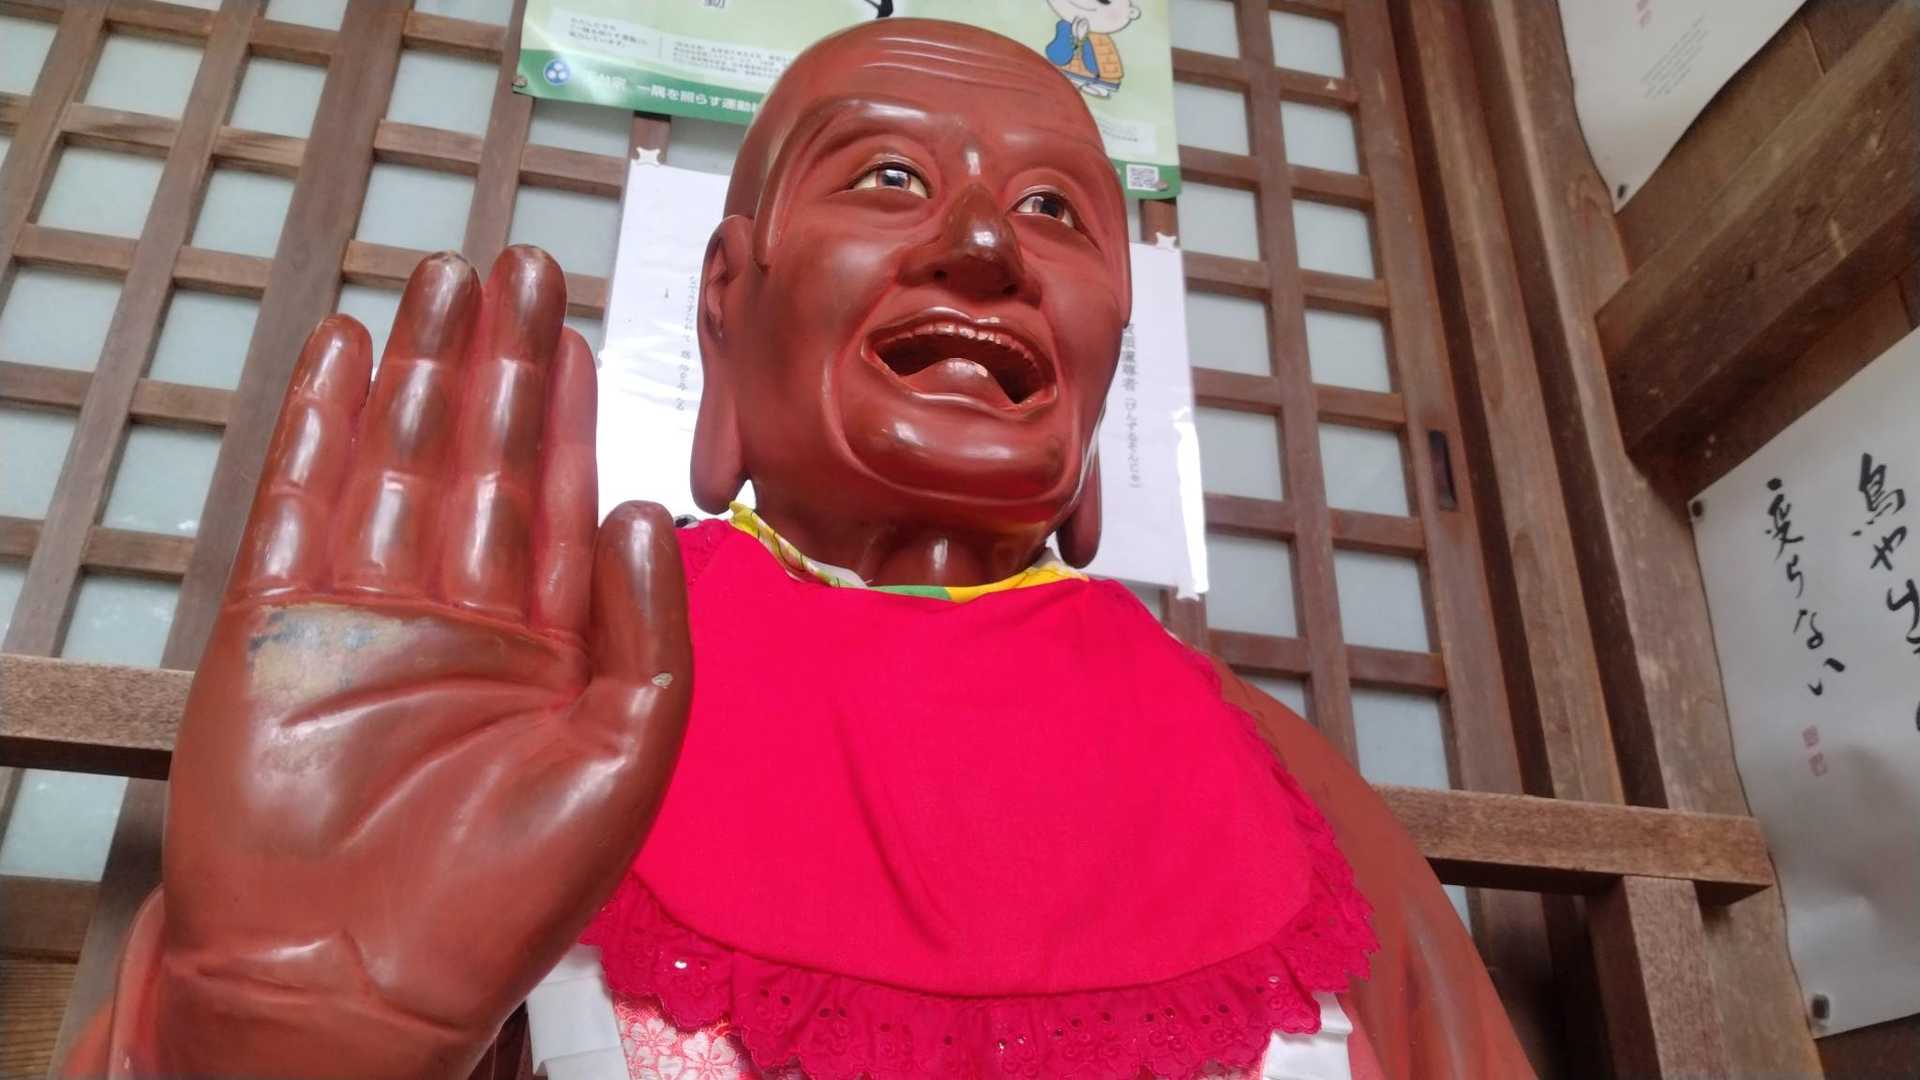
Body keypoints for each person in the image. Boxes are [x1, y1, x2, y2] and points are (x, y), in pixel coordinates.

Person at [64, 19, 1530, 1080]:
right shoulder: (498, 719)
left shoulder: (1293, 800)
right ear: (725, 299)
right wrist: (277, 1042)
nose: (984, 248)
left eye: (1052, 210)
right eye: (887, 177)